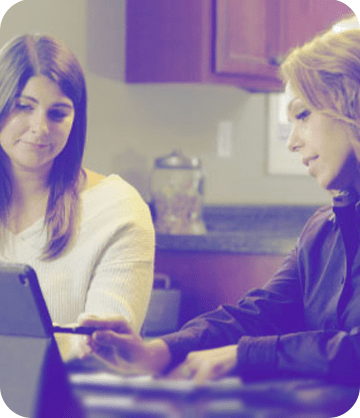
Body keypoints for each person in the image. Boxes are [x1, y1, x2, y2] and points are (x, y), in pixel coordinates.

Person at [78, 26, 360, 385]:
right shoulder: (322, 232)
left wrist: (245, 355)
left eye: (302, 115)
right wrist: (158, 351)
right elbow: (257, 315)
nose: (292, 142)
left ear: (353, 103)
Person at [0, 34, 155, 358]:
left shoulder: (118, 210)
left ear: (76, 120)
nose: (39, 127)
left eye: (57, 113)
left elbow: (104, 354)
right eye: (23, 107)